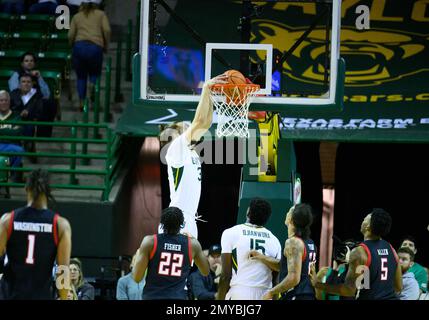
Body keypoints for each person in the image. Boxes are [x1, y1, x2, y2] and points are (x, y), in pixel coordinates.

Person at [158, 74, 228, 239]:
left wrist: (210, 96)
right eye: (184, 125)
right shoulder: (174, 148)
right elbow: (199, 122)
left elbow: (206, 122)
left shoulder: (188, 151)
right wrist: (205, 89)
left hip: (188, 217)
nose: (188, 125)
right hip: (176, 217)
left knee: (185, 265)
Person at [0, 169, 72, 300]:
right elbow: (63, 270)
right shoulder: (60, 225)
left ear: (26, 188)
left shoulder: (7, 220)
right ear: (49, 191)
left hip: (10, 295)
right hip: (41, 295)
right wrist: (63, 297)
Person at [312, 208, 402, 300]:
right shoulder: (391, 249)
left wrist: (317, 284)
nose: (363, 220)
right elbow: (398, 286)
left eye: (365, 219)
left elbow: (349, 290)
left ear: (368, 226)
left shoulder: (359, 252)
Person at [132, 207, 209, 300]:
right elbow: (205, 272)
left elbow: (137, 278)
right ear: (182, 224)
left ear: (162, 223)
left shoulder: (150, 242)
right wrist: (195, 241)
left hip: (152, 296)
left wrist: (137, 257)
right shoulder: (192, 244)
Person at [217, 198, 282, 300]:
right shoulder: (275, 240)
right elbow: (276, 281)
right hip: (265, 294)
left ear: (248, 212)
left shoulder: (231, 233)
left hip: (240, 292)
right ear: (267, 218)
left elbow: (225, 276)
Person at [261, 203, 317, 300]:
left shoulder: (293, 242)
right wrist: (261, 257)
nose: (287, 213)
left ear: (291, 219)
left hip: (297, 295)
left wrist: (271, 292)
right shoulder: (310, 243)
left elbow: (294, 278)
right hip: (308, 294)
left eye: (289, 211)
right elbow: (286, 267)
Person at [68, 1, 111, 111]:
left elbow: (71, 34)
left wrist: (71, 45)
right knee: (94, 74)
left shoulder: (77, 16)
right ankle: (93, 87)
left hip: (79, 46)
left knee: (81, 77)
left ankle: (82, 102)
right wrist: (106, 45)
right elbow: (107, 30)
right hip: (95, 47)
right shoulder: (101, 14)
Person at [0, 90, 25, 182]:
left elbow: (17, 132)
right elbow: (12, 132)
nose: (4, 103)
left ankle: (11, 173)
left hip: (12, 145)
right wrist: (9, 131)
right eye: (1, 100)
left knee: (19, 151)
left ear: (9, 102)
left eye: (6, 100)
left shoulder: (16, 116)